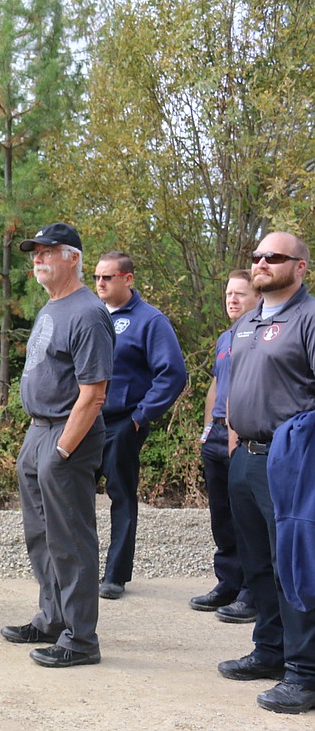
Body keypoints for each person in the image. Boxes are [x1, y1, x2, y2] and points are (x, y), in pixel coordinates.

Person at [1, 222, 112, 668]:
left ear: (73, 258)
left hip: (68, 433)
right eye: (34, 252)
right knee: (41, 536)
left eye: (48, 251)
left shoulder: (88, 313)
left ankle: (81, 639)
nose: (38, 258)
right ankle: (51, 619)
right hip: (39, 430)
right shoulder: (53, 308)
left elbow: (94, 393)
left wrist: (63, 450)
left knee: (71, 541)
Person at [220, 231, 315, 714]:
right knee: (256, 562)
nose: (260, 262)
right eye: (256, 255)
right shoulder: (248, 321)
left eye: (273, 256)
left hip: (292, 460)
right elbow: (238, 387)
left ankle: (305, 673)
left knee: (293, 566)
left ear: (300, 267)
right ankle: (271, 651)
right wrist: (235, 443)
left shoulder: (310, 317)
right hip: (246, 457)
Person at [93, 252, 187, 600]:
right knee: (73, 495)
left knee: (121, 497)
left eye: (108, 277)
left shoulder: (150, 321)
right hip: (84, 421)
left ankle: (115, 575)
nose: (100, 283)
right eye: (97, 277)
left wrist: (140, 416)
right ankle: (78, 569)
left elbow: (173, 373)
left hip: (122, 422)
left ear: (127, 278)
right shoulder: (92, 316)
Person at [189, 270, 259, 622]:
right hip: (215, 435)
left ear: (257, 297)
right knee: (222, 516)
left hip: (243, 436)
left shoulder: (263, 335)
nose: (232, 299)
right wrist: (206, 429)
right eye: (229, 293)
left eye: (240, 294)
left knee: (248, 518)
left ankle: (252, 592)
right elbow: (216, 388)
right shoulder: (224, 338)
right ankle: (228, 583)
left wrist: (234, 431)